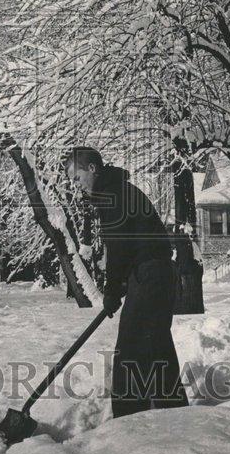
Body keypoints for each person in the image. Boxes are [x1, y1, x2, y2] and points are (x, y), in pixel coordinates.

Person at [64, 146, 188, 419]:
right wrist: (119, 286)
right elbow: (127, 245)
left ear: (92, 169)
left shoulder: (112, 195)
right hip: (155, 275)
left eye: (76, 177)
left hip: (150, 276)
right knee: (157, 347)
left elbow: (118, 247)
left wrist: (111, 290)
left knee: (130, 351)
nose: (76, 185)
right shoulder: (118, 190)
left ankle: (128, 422)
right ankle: (176, 413)